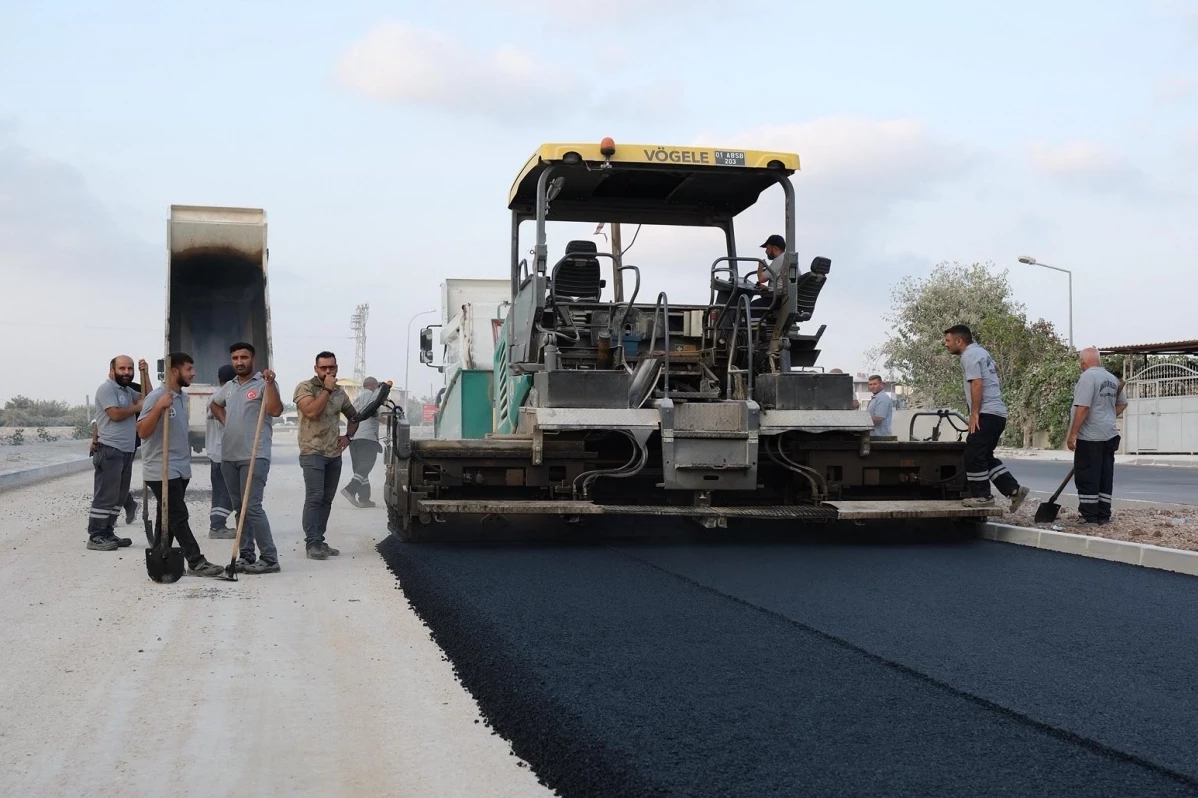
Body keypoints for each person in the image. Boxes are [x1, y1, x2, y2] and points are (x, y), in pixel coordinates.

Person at [135, 353, 224, 577]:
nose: (193, 373)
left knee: (166, 517)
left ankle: (159, 558)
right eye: (189, 369)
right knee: (178, 515)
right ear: (174, 371)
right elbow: (142, 432)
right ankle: (196, 561)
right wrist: (158, 408)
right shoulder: (156, 397)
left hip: (181, 468)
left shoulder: (183, 397)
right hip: (160, 469)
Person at [210, 342, 283, 574]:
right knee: (239, 508)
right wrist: (227, 422)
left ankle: (270, 558)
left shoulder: (264, 383)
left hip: (255, 454)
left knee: (252, 507)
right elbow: (215, 404)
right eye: (235, 358)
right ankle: (247, 556)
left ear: (253, 358)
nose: (239, 362)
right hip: (229, 455)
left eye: (244, 357)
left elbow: (275, 410)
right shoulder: (229, 386)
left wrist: (270, 384)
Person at [943, 324, 1030, 511]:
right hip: (997, 414)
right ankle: (1014, 490)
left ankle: (983, 496)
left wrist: (974, 413)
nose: (945, 345)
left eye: (948, 341)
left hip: (987, 413)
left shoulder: (969, 355)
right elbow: (989, 374)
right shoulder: (982, 353)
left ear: (960, 341)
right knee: (984, 456)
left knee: (973, 455)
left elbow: (977, 383)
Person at [294, 351, 358, 560]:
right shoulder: (305, 388)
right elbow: (312, 411)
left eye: (332, 367)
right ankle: (312, 543)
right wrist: (327, 388)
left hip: (333, 452)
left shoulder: (340, 393)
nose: (328, 371)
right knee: (314, 497)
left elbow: (354, 416)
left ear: (337, 368)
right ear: (316, 369)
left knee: (326, 500)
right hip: (312, 451)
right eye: (323, 368)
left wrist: (348, 436)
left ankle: (319, 540)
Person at [86, 356, 144, 550]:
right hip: (110, 449)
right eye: (122, 368)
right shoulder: (107, 389)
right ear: (112, 369)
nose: (127, 372)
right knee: (105, 495)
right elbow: (115, 414)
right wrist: (138, 407)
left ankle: (108, 532)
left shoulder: (127, 391)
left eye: (130, 368)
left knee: (118, 496)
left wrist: (145, 373)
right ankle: (96, 536)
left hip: (126, 450)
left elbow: (149, 396)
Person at [1066, 348, 1128, 525]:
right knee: (1104, 475)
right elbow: (1122, 403)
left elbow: (1083, 407)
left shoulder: (1088, 377)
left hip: (1090, 437)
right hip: (1109, 435)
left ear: (1083, 362)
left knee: (1087, 476)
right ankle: (1103, 514)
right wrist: (1107, 417)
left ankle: (1089, 516)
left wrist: (1073, 434)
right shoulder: (1110, 377)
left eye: (1080, 362)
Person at [341, 377, 383, 508]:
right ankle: (350, 489)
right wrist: (391, 421)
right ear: (373, 385)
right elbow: (376, 414)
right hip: (367, 437)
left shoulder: (357, 399)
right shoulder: (372, 396)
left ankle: (364, 499)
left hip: (355, 437)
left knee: (360, 469)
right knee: (366, 465)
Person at [206, 364, 237, 538]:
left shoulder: (212, 398)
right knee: (231, 492)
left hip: (214, 452)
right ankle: (217, 526)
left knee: (219, 492)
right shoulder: (228, 398)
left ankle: (217, 526)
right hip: (226, 453)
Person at [752, 234, 787, 308]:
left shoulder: (779, 260)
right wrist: (767, 288)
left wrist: (760, 267)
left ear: (775, 248)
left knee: (749, 307)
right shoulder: (786, 258)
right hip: (782, 296)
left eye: (768, 248)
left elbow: (761, 279)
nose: (766, 251)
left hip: (777, 299)